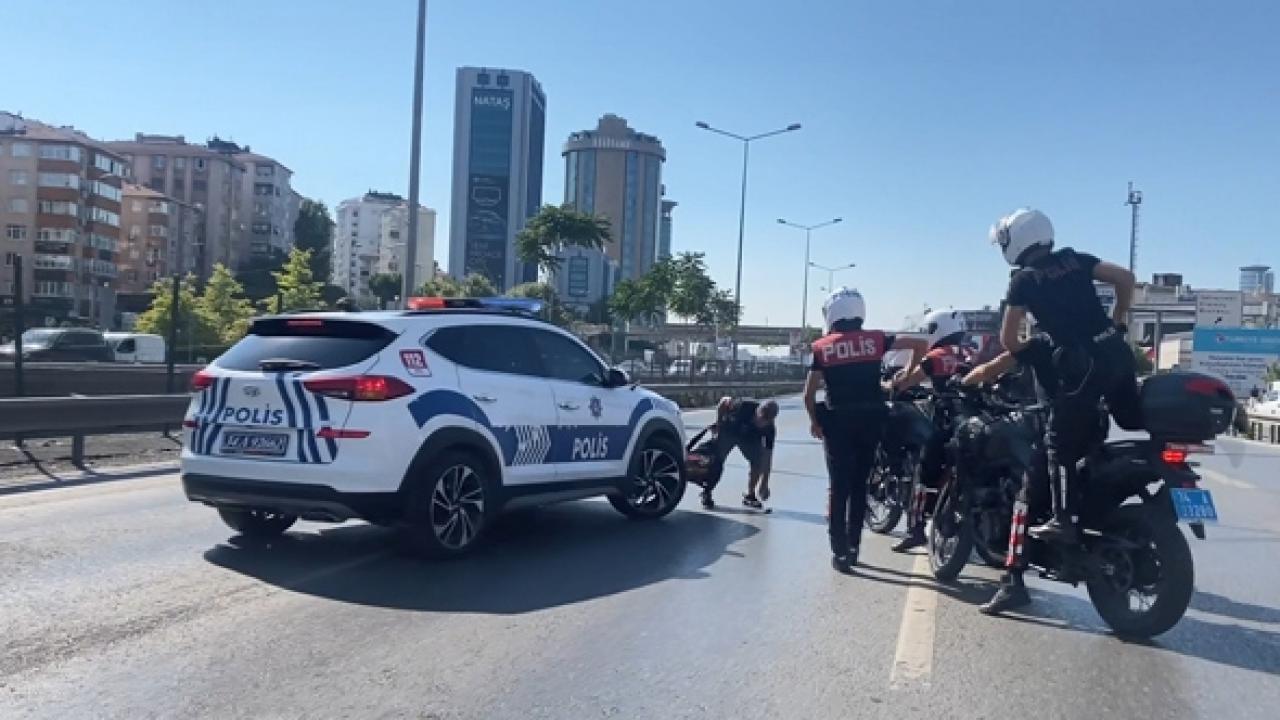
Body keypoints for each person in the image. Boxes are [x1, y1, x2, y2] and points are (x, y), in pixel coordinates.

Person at [993, 208, 1141, 545]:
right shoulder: (1076, 259)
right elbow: (1126, 278)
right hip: (1117, 354)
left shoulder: (1023, 280)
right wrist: (1117, 318)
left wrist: (1036, 349)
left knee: (1058, 444)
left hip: (1082, 367)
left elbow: (1009, 340)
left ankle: (1063, 520)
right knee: (1131, 418)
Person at [804, 288, 927, 572]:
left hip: (838, 423)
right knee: (860, 486)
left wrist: (815, 421)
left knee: (839, 487)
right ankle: (854, 547)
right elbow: (920, 345)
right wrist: (905, 378)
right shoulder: (877, 339)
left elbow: (808, 394)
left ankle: (839, 552)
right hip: (871, 421)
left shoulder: (822, 347)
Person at [889, 309, 970, 552]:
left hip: (945, 423)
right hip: (969, 422)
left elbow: (906, 382)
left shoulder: (936, 356)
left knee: (922, 474)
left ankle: (915, 530)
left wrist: (888, 385)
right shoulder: (970, 354)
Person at [701, 397, 779, 509]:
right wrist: (719, 424)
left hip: (749, 439)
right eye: (760, 418)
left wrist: (764, 483)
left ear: (771, 420)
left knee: (758, 461)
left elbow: (767, 457)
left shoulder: (769, 430)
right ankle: (707, 492)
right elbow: (723, 402)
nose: (760, 422)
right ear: (757, 410)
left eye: (764, 421)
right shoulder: (743, 405)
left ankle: (750, 495)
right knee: (716, 461)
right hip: (729, 431)